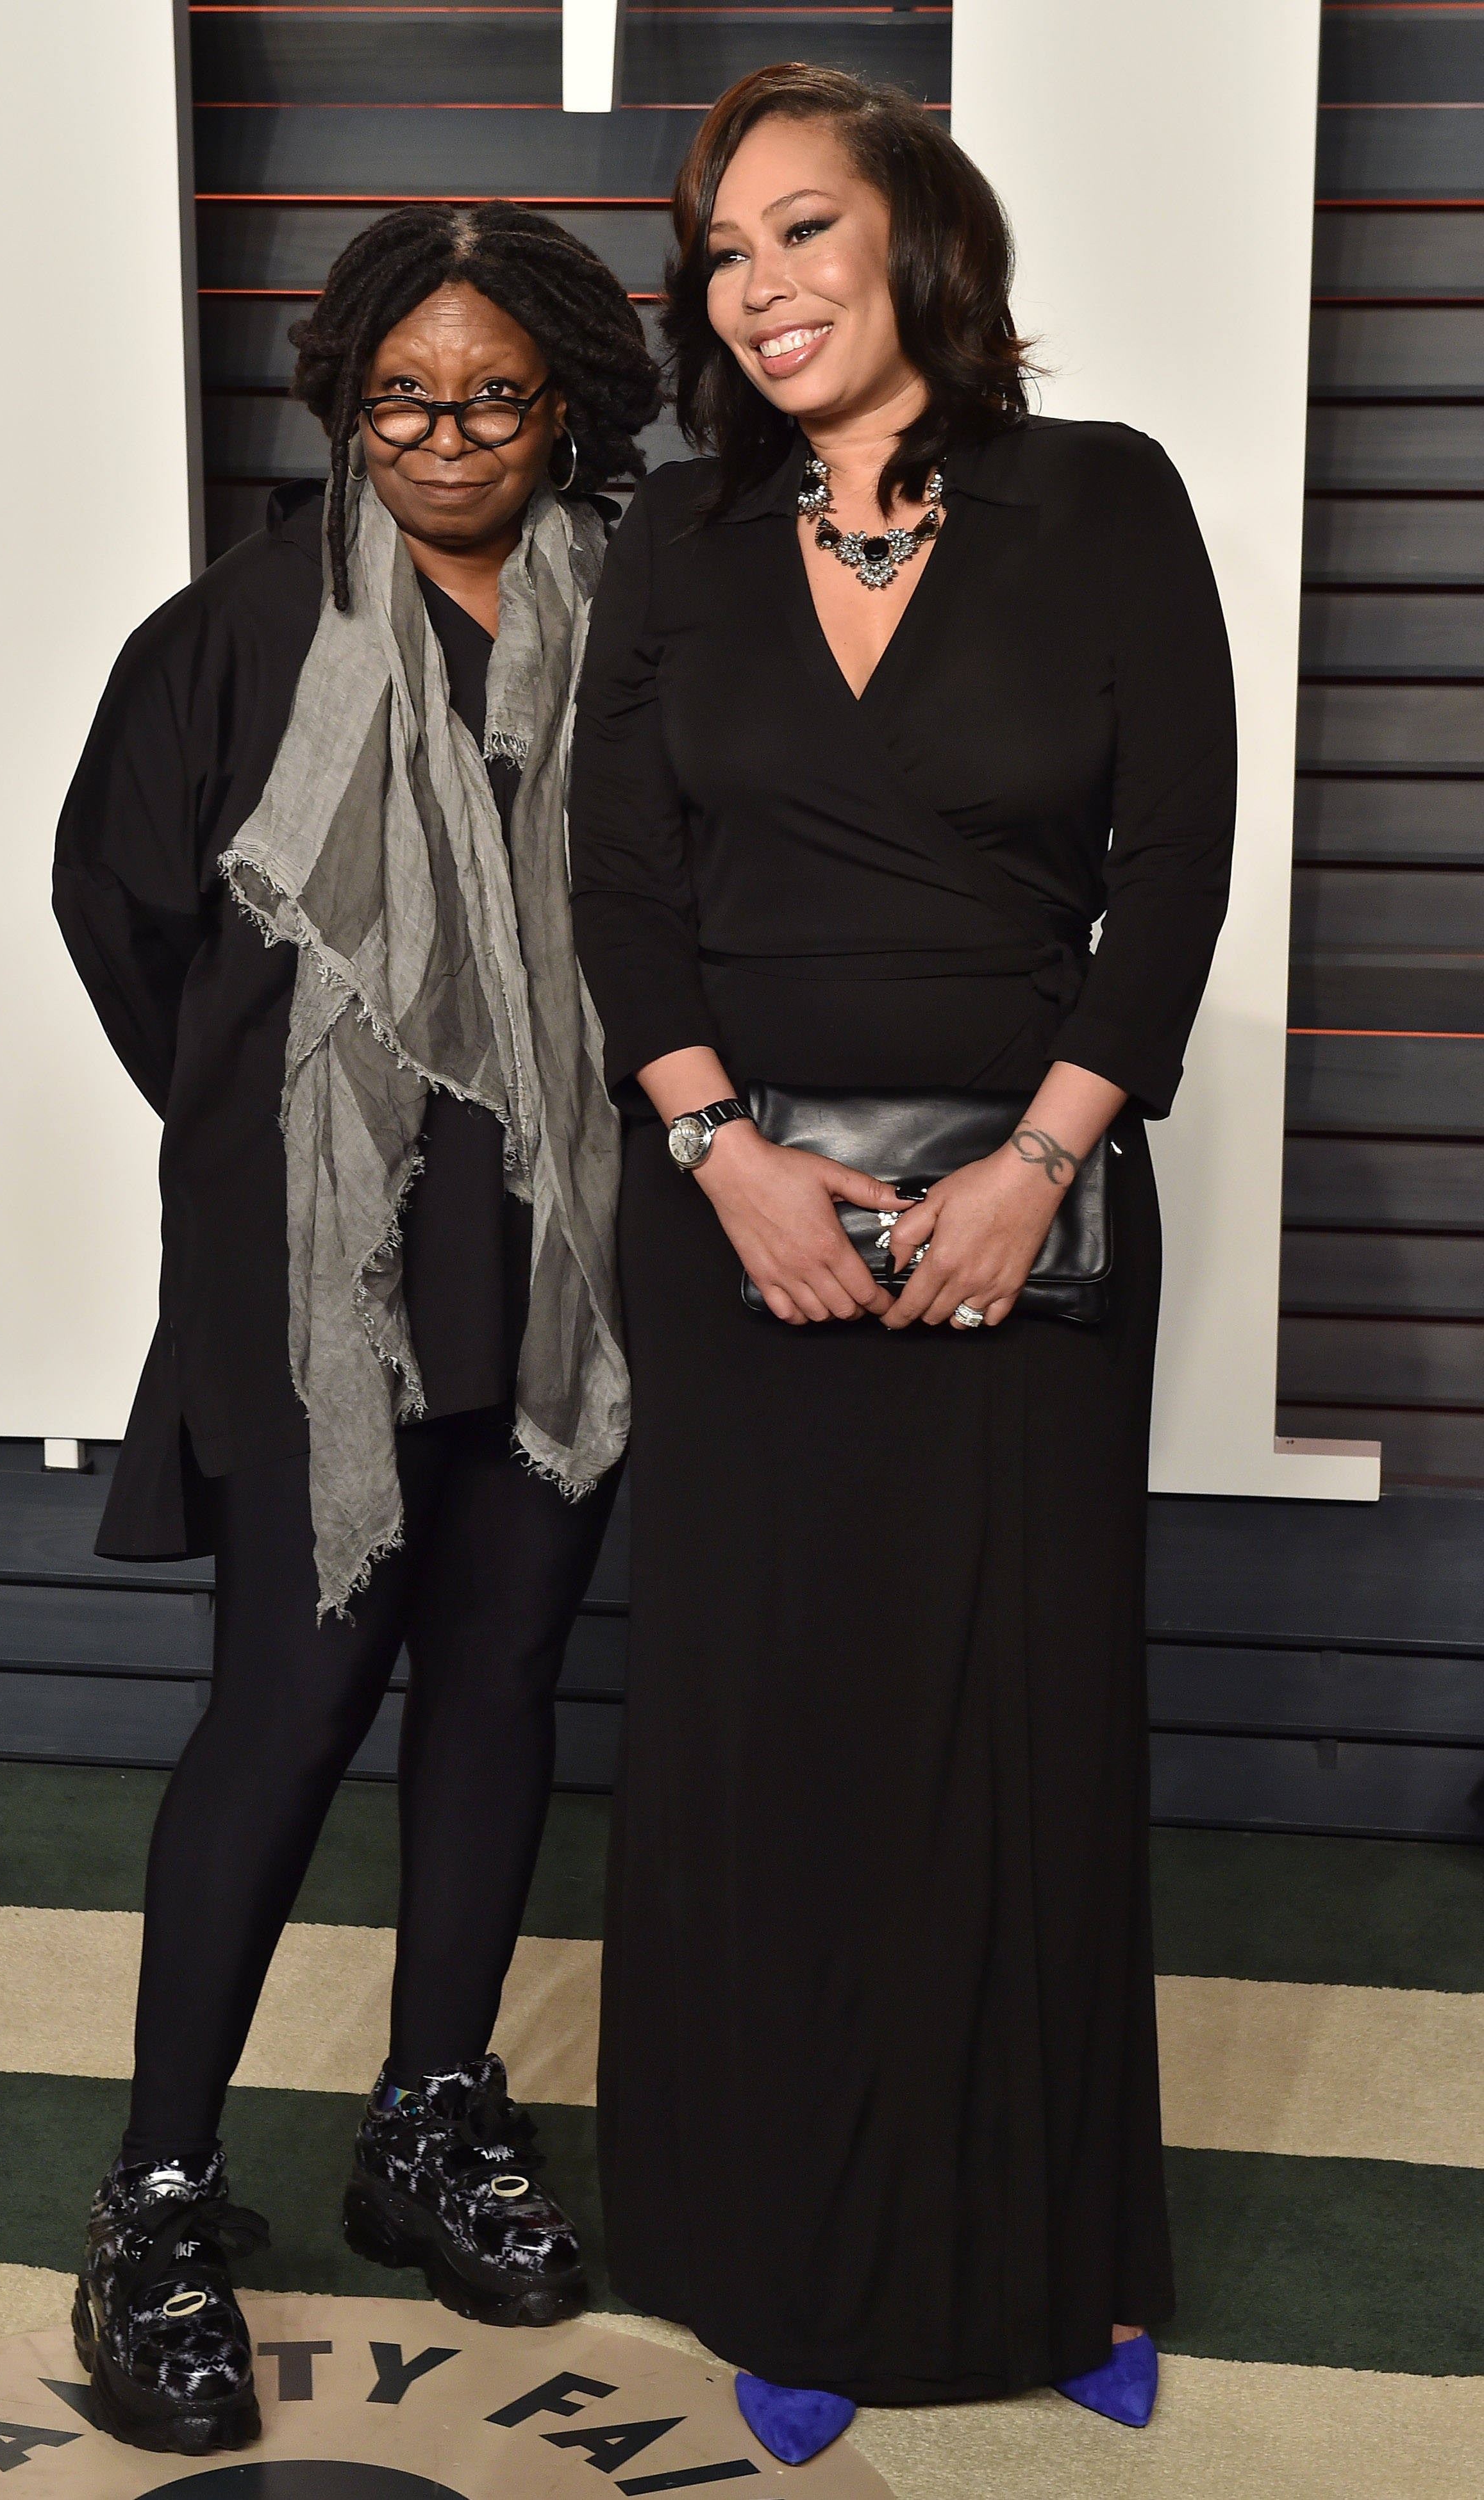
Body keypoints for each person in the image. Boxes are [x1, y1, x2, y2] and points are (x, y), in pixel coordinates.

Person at [569, 65, 1234, 2463]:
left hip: (1022, 1221)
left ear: (920, 240)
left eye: (797, 230)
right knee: (786, 1734)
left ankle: (1056, 2258)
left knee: (1022, 1733)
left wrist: (1042, 1164)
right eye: (717, 251)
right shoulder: (678, 540)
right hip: (739, 1214)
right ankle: (785, 2254)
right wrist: (726, 1155)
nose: (751, 285)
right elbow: (622, 888)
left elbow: (1170, 866)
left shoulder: (1106, 498)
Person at [53, 199, 658, 2458]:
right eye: (401, 396)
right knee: (283, 1718)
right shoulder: (225, 636)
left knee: (501, 1683)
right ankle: (161, 2191)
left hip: (575, 1260)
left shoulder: (647, 626)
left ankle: (428, 2117)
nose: (446, 437)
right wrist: (282, 1151)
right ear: (341, 397)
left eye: (496, 396)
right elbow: (119, 911)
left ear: (569, 399)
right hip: (326, 1283)